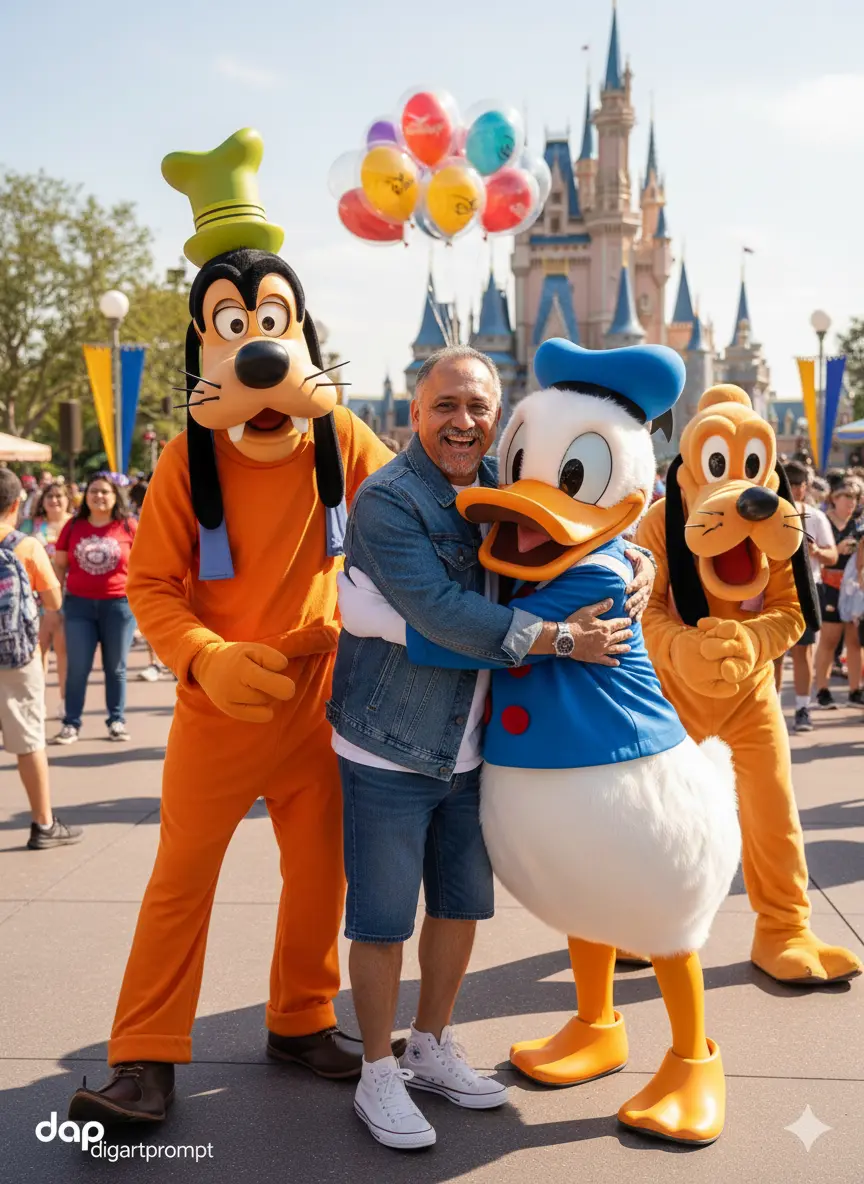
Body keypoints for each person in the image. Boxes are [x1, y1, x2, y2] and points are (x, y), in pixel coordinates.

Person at [327, 345, 655, 1150]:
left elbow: (584, 530)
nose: (464, 423)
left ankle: (432, 1044)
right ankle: (377, 1070)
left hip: (472, 743)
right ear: (415, 411)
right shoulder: (389, 501)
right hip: (390, 742)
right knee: (381, 918)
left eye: (479, 408)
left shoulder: (505, 490)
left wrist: (636, 560)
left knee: (461, 905)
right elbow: (444, 615)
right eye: (447, 406)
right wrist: (555, 639)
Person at [0, 470, 82, 850]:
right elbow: (54, 601)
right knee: (30, 741)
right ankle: (43, 824)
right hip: (16, 657)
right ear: (17, 504)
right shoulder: (27, 546)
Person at [50, 473, 138, 744]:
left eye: (105, 492)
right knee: (78, 667)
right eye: (94, 491)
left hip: (119, 606)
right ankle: (71, 723)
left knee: (116, 668)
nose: (99, 496)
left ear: (115, 497)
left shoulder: (129, 526)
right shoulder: (73, 526)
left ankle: (116, 720)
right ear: (85, 496)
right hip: (79, 606)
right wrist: (54, 604)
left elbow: (145, 565)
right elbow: (60, 565)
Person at [773, 461, 837, 731]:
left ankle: (802, 708)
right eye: (792, 483)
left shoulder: (814, 516)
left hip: (807, 588)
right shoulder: (767, 512)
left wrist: (817, 553)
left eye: (801, 484)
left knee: (804, 651)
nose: (797, 489)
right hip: (774, 589)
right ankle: (772, 710)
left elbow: (832, 555)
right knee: (773, 654)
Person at [20, 481, 74, 720]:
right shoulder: (31, 525)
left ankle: (65, 701)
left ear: (68, 500)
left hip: (69, 595)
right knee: (37, 650)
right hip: (35, 597)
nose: (55, 501)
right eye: (50, 496)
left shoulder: (75, 524)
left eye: (60, 496)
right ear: (42, 501)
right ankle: (37, 702)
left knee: (63, 651)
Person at [814, 477, 864, 708]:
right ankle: (822, 690)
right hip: (830, 586)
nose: (851, 503)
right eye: (846, 497)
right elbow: (812, 552)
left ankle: (855, 690)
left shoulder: (858, 524)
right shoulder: (824, 521)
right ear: (834, 498)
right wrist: (836, 550)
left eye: (854, 498)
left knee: (854, 641)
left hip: (854, 589)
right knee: (829, 640)